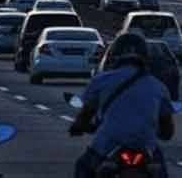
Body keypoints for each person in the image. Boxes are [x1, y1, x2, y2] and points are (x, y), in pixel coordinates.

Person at [70, 33, 174, 178]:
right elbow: (167, 132)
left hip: (107, 145)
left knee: (83, 167)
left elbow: (85, 115)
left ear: (114, 55)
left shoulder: (101, 80)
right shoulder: (158, 86)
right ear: (145, 57)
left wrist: (78, 127)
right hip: (145, 145)